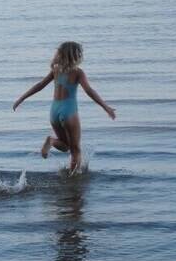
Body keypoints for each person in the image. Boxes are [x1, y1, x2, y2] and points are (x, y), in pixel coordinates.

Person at [13, 41, 116, 173]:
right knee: (75, 150)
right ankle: (74, 178)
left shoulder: (56, 70)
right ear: (75, 56)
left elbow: (40, 85)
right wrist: (105, 107)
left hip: (54, 112)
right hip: (69, 112)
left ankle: (52, 141)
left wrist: (21, 98)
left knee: (65, 146)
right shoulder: (78, 72)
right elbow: (89, 91)